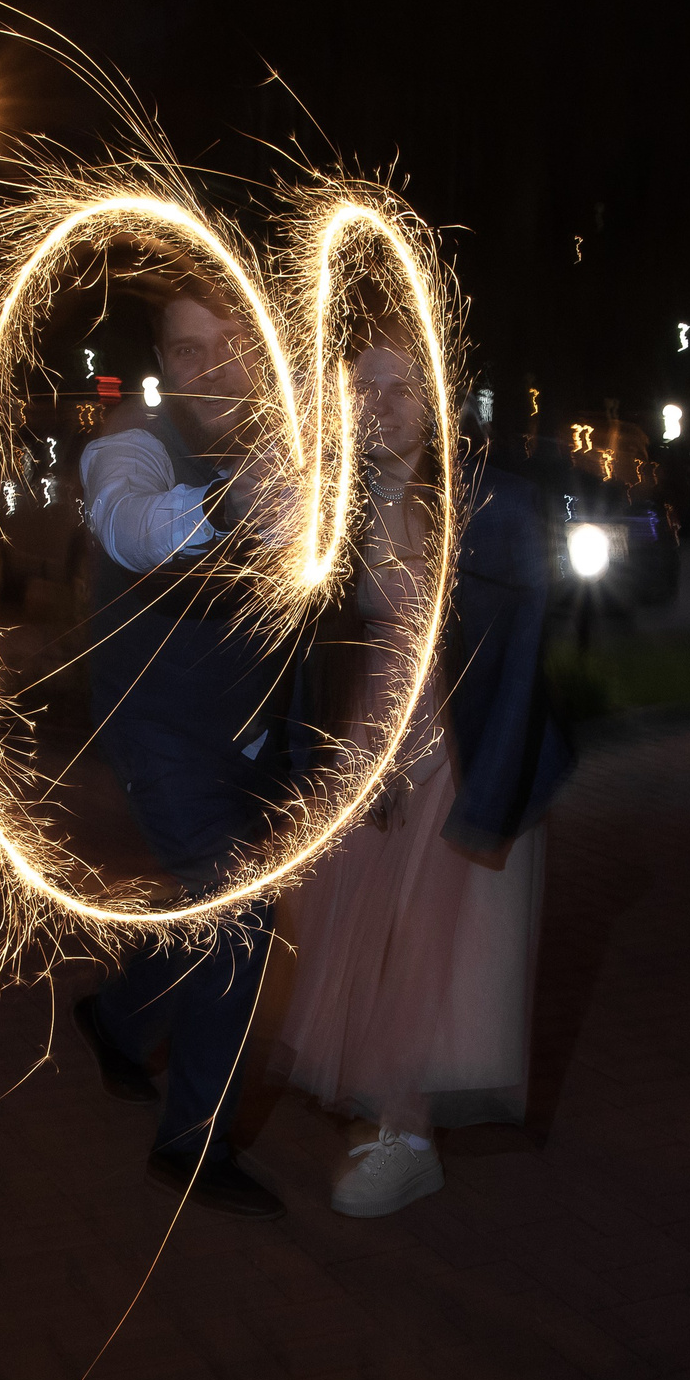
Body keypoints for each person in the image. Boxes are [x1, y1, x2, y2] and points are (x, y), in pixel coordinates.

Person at [273, 333, 571, 1217]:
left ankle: (410, 1138)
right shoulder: (338, 506)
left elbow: (516, 657)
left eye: (406, 388)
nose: (384, 406)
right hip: (373, 744)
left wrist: (456, 775)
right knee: (370, 940)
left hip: (456, 745)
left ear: (443, 401)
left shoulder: (488, 510)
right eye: (365, 388)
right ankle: (396, 1119)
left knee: (429, 940)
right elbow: (320, 649)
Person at [70, 276, 291, 1220]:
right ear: (164, 363)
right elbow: (132, 523)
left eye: (230, 345)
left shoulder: (284, 455)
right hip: (154, 726)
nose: (213, 367)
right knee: (237, 912)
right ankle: (192, 1143)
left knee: (222, 900)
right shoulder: (132, 447)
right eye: (189, 349)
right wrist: (226, 507)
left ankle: (116, 1019)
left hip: (251, 729)